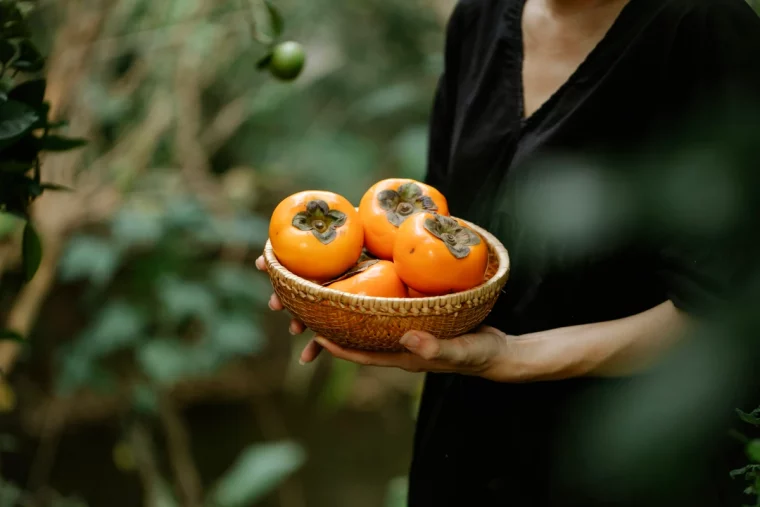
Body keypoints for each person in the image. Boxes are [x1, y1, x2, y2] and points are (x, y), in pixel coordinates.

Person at [257, 0, 760, 505]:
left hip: (628, 463)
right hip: (463, 443)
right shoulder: (478, 17)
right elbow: (428, 234)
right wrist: (337, 285)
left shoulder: (706, 26)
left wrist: (515, 357)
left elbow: (727, 312)